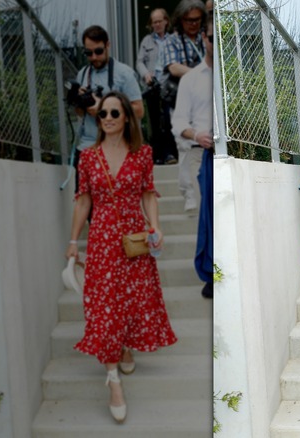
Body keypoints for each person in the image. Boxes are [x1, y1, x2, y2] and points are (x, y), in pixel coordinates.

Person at [66, 91, 177, 423]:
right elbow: (83, 201)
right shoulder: (87, 157)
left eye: (115, 112)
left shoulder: (142, 154)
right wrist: (73, 240)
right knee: (104, 305)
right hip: (101, 239)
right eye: (103, 114)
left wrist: (155, 226)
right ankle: (113, 378)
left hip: (133, 239)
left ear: (127, 117)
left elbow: (148, 194)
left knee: (130, 300)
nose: (109, 118)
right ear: (97, 120)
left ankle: (124, 345)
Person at [172, 5, 213, 299]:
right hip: (200, 155)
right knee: (206, 217)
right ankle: (210, 273)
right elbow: (178, 123)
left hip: (229, 155)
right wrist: (197, 134)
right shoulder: (190, 79)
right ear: (204, 39)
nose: (212, 42)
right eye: (209, 37)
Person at [73, 25, 144, 192]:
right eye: (88, 53)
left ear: (108, 45)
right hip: (87, 145)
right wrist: (81, 103)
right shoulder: (83, 74)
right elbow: (79, 114)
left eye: (98, 51)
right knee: (85, 201)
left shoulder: (124, 73)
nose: (94, 57)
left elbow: (139, 110)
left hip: (117, 146)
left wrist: (104, 108)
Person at [163, 0, 207, 212]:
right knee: (184, 147)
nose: (193, 24)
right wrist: (200, 75)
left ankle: (200, 191)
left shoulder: (204, 37)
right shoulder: (171, 41)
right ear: (180, 20)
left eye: (197, 20)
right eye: (189, 20)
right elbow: (173, 67)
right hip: (181, 101)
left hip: (203, 104)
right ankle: (188, 194)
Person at [136, 8, 175, 165]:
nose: (157, 24)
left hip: (169, 86)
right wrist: (145, 74)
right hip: (152, 87)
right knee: (154, 122)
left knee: (169, 120)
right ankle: (157, 155)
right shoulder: (146, 41)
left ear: (166, 21)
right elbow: (139, 62)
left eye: (160, 21)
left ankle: (170, 154)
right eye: (154, 22)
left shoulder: (173, 39)